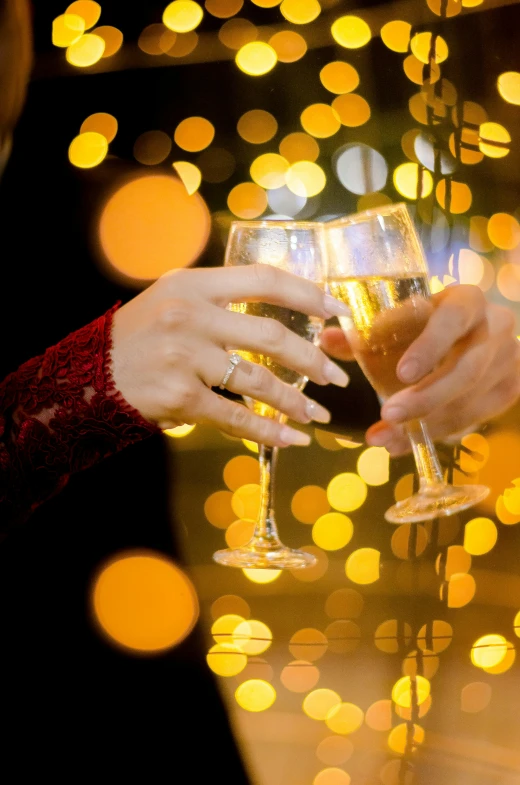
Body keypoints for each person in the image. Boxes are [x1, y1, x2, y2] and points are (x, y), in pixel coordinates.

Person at [1, 0, 519, 778]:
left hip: (128, 697)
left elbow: (318, 360)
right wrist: (83, 382)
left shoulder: (108, 211)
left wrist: (457, 364)